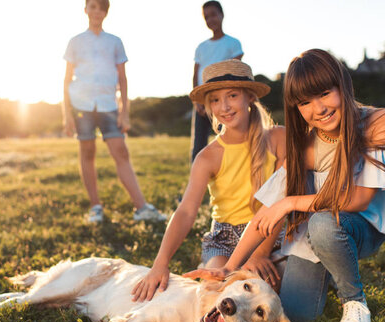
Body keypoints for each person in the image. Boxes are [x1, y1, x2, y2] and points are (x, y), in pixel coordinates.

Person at [186, 49, 385, 322]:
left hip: (364, 226)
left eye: (324, 94)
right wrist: (230, 268)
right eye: (305, 102)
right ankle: (334, 266)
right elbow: (265, 215)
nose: (318, 108)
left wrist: (290, 203)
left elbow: (359, 199)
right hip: (320, 232)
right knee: (298, 313)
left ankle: (354, 301)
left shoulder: (380, 122)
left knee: (322, 222)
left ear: (342, 86)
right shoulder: (307, 145)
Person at [131, 59, 286, 302]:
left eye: (232, 95)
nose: (224, 106)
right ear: (208, 106)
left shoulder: (278, 138)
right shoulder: (208, 157)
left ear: (250, 97)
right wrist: (160, 263)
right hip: (225, 237)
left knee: (264, 296)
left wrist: (262, 252)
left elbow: (282, 198)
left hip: (271, 232)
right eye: (214, 99)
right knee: (213, 294)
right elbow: (185, 212)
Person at [62, 0, 167, 224]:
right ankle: (96, 208)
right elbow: (66, 80)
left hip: (109, 106)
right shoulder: (75, 42)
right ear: (85, 10)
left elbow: (122, 78)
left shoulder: (115, 42)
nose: (96, 11)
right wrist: (67, 114)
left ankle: (141, 207)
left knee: (121, 152)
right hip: (82, 106)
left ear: (105, 13)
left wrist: (124, 111)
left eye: (101, 8)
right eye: (92, 7)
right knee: (87, 153)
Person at [191, 1, 244, 162]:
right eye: (206, 17)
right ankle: (197, 179)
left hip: (223, 100)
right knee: (198, 143)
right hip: (202, 100)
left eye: (213, 15)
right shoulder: (201, 47)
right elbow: (195, 75)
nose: (210, 20)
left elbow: (236, 70)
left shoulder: (233, 43)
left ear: (222, 15)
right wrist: (196, 101)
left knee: (227, 137)